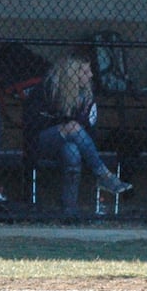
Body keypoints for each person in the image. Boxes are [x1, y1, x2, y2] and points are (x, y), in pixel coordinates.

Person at [23, 54, 132, 216]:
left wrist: (82, 114)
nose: (91, 75)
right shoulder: (46, 89)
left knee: (72, 151)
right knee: (72, 127)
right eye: (85, 72)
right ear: (72, 73)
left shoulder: (85, 95)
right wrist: (64, 123)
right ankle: (104, 175)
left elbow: (89, 132)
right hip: (41, 141)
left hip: (69, 144)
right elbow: (34, 123)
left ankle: (69, 209)